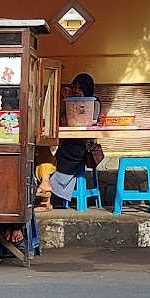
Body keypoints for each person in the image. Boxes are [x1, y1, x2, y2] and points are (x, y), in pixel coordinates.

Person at [50, 73, 98, 208]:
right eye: (75, 87)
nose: (77, 90)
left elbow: (92, 121)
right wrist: (66, 100)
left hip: (82, 145)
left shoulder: (93, 103)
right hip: (68, 140)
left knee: (70, 152)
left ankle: (55, 187)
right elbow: (62, 120)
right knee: (53, 153)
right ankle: (51, 187)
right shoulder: (69, 102)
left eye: (80, 88)